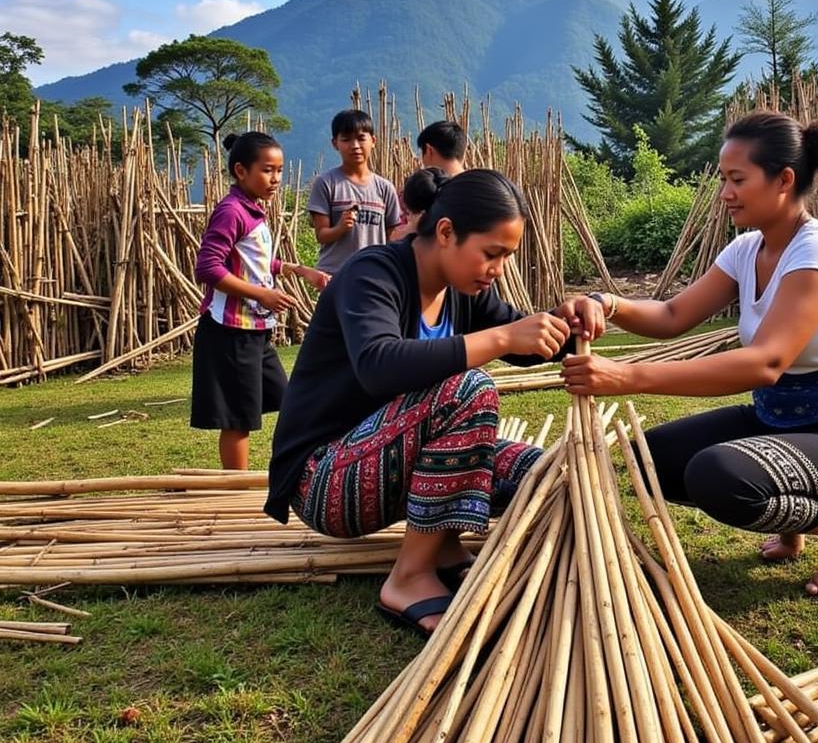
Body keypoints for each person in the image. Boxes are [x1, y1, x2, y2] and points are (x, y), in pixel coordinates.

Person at [562, 112, 818, 602]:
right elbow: (670, 315)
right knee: (649, 460)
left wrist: (627, 376)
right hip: (783, 425)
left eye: (737, 179)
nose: (725, 193)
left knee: (717, 476)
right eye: (724, 179)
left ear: (783, 180)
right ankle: (795, 523)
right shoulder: (748, 249)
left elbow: (766, 363)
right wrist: (608, 303)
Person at [265, 168, 604, 634]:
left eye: (505, 257)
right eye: (491, 254)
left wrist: (568, 321)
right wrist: (503, 337)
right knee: (469, 388)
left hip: (392, 469)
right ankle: (409, 577)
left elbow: (523, 340)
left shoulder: (463, 292)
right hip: (326, 479)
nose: (497, 269)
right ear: (445, 232)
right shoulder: (372, 274)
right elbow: (378, 363)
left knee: (541, 472)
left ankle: (442, 545)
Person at [192, 131, 330, 470]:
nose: (276, 179)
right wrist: (263, 295)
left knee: (289, 398)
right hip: (230, 330)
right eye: (268, 170)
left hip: (254, 328)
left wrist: (298, 269)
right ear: (241, 171)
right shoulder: (231, 211)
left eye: (280, 171)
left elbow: (252, 262)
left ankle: (295, 468)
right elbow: (208, 267)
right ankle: (235, 491)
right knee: (238, 418)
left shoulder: (252, 210)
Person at [307, 109, 402, 276]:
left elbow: (392, 236)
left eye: (361, 138)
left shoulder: (385, 188)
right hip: (334, 275)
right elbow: (321, 235)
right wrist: (340, 228)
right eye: (346, 139)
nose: (355, 146)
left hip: (373, 274)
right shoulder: (326, 183)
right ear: (335, 143)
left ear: (373, 141)